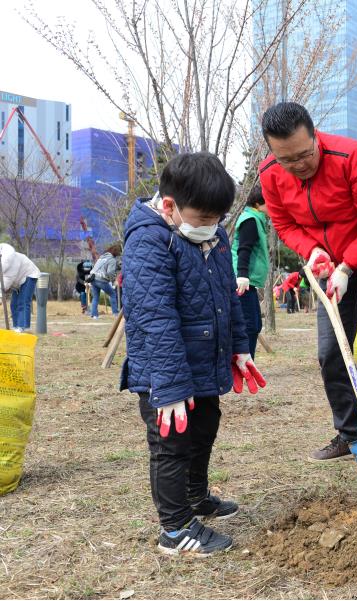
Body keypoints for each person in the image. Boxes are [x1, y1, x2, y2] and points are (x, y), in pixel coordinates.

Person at [120, 152, 266, 557]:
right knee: (171, 444)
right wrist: (168, 387)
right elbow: (154, 315)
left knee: (204, 429)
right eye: (203, 220)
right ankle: (175, 527)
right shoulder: (149, 240)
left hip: (205, 361)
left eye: (217, 219)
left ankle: (197, 497)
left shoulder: (214, 236)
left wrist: (239, 347)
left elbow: (228, 296)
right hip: (163, 371)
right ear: (170, 207)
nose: (212, 228)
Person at [258, 101, 357, 462]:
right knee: (329, 350)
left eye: (303, 155)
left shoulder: (354, 158)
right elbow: (285, 225)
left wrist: (348, 266)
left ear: (315, 135)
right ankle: (351, 432)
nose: (297, 166)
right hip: (328, 262)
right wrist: (312, 252)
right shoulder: (270, 175)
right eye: (286, 160)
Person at [233, 185, 271, 358]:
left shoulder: (258, 219)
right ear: (258, 203)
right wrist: (242, 275)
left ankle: (248, 362)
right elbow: (244, 249)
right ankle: (243, 364)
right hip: (243, 282)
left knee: (255, 325)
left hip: (251, 283)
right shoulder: (250, 220)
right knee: (248, 325)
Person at [0, 243, 40, 333]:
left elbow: (4, 285)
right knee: (13, 304)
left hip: (29, 275)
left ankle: (23, 327)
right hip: (17, 280)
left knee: (23, 301)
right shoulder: (4, 262)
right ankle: (16, 326)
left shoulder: (10, 263)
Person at [87, 244, 121, 319]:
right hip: (101, 279)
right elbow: (110, 272)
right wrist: (113, 280)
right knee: (112, 294)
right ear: (115, 253)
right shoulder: (112, 259)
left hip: (93, 278)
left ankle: (94, 315)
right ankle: (115, 314)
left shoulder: (102, 258)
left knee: (95, 297)